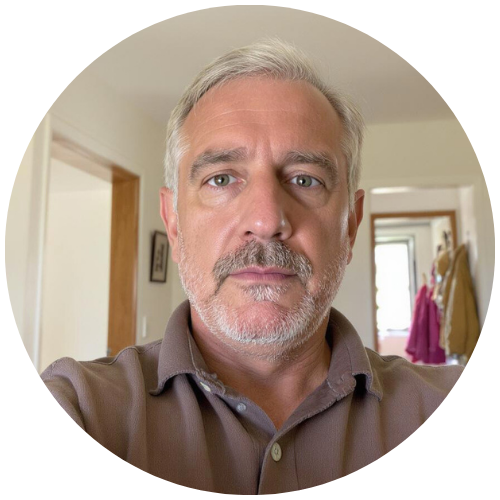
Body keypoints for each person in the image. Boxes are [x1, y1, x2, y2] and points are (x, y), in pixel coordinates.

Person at [42, 39, 463, 494]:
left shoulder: (451, 409)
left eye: (305, 179)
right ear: (174, 224)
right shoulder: (79, 409)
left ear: (350, 225)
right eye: (221, 178)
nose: (265, 221)